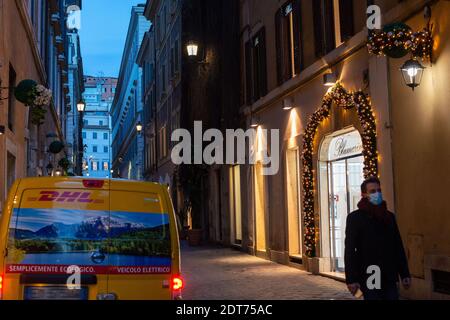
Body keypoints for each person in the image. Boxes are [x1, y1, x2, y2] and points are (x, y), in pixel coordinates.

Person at [344, 177, 411, 300]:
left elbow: (397, 245)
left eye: (379, 190)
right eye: (373, 191)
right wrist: (351, 279)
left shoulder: (389, 216)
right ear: (364, 194)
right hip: (370, 272)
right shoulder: (355, 218)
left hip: (389, 273)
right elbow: (349, 250)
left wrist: (404, 273)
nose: (377, 193)